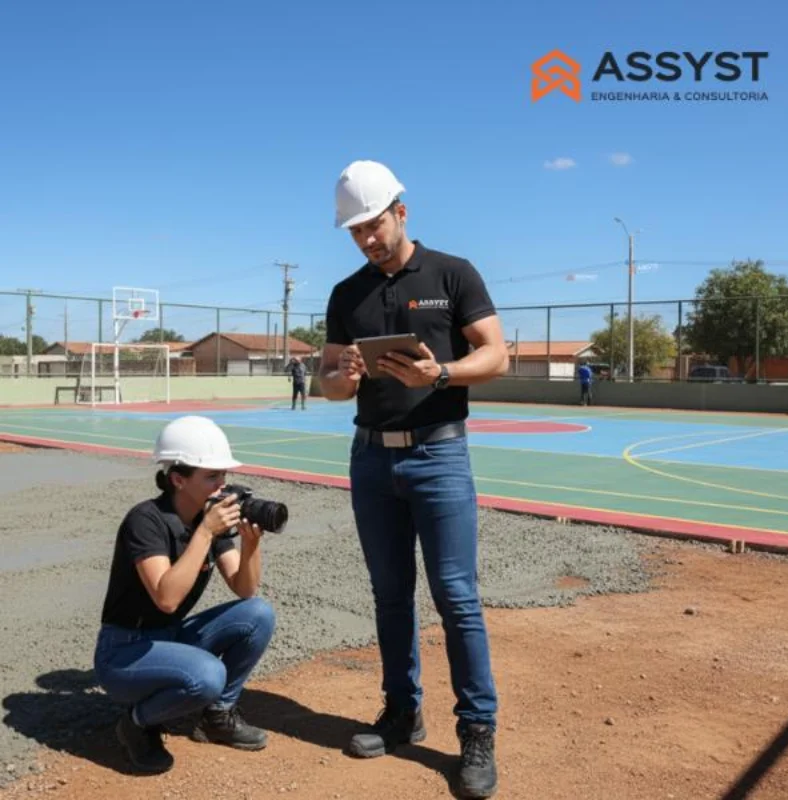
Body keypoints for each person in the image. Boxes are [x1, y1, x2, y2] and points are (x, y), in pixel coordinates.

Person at [320, 160, 509, 799]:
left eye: (373, 225)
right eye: (356, 231)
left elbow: (496, 354)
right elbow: (328, 384)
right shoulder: (346, 295)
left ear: (401, 212)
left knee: (456, 595)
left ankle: (477, 730)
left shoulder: (453, 274)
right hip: (372, 459)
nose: (366, 239)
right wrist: (344, 373)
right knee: (390, 594)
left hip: (440, 455)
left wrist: (442, 373)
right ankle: (402, 711)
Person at [93, 415, 276, 774]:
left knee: (258, 614)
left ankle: (217, 716)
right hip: (124, 652)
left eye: (223, 475)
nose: (222, 486)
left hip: (169, 638)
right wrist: (205, 533)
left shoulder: (207, 518)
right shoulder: (146, 520)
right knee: (208, 675)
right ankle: (136, 722)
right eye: (212, 477)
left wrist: (251, 544)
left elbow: (245, 588)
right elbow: (167, 599)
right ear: (178, 479)